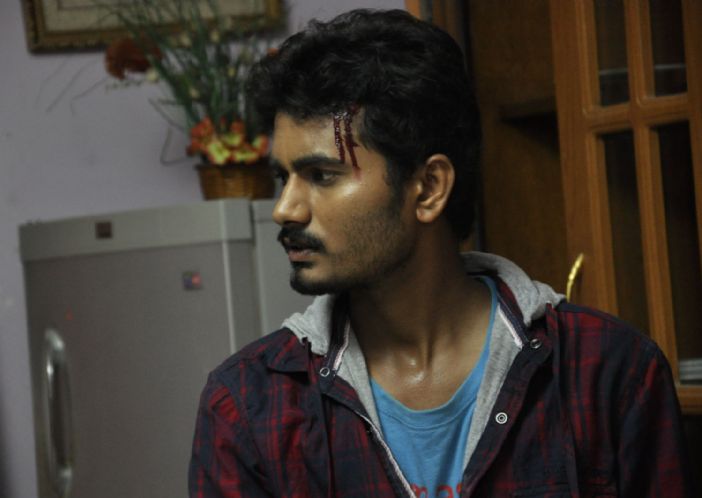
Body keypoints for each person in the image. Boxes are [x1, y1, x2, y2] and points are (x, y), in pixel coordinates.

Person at [188, 9, 692, 498]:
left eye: (322, 176)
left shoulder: (607, 370)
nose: (284, 209)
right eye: (284, 177)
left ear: (428, 188)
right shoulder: (250, 405)